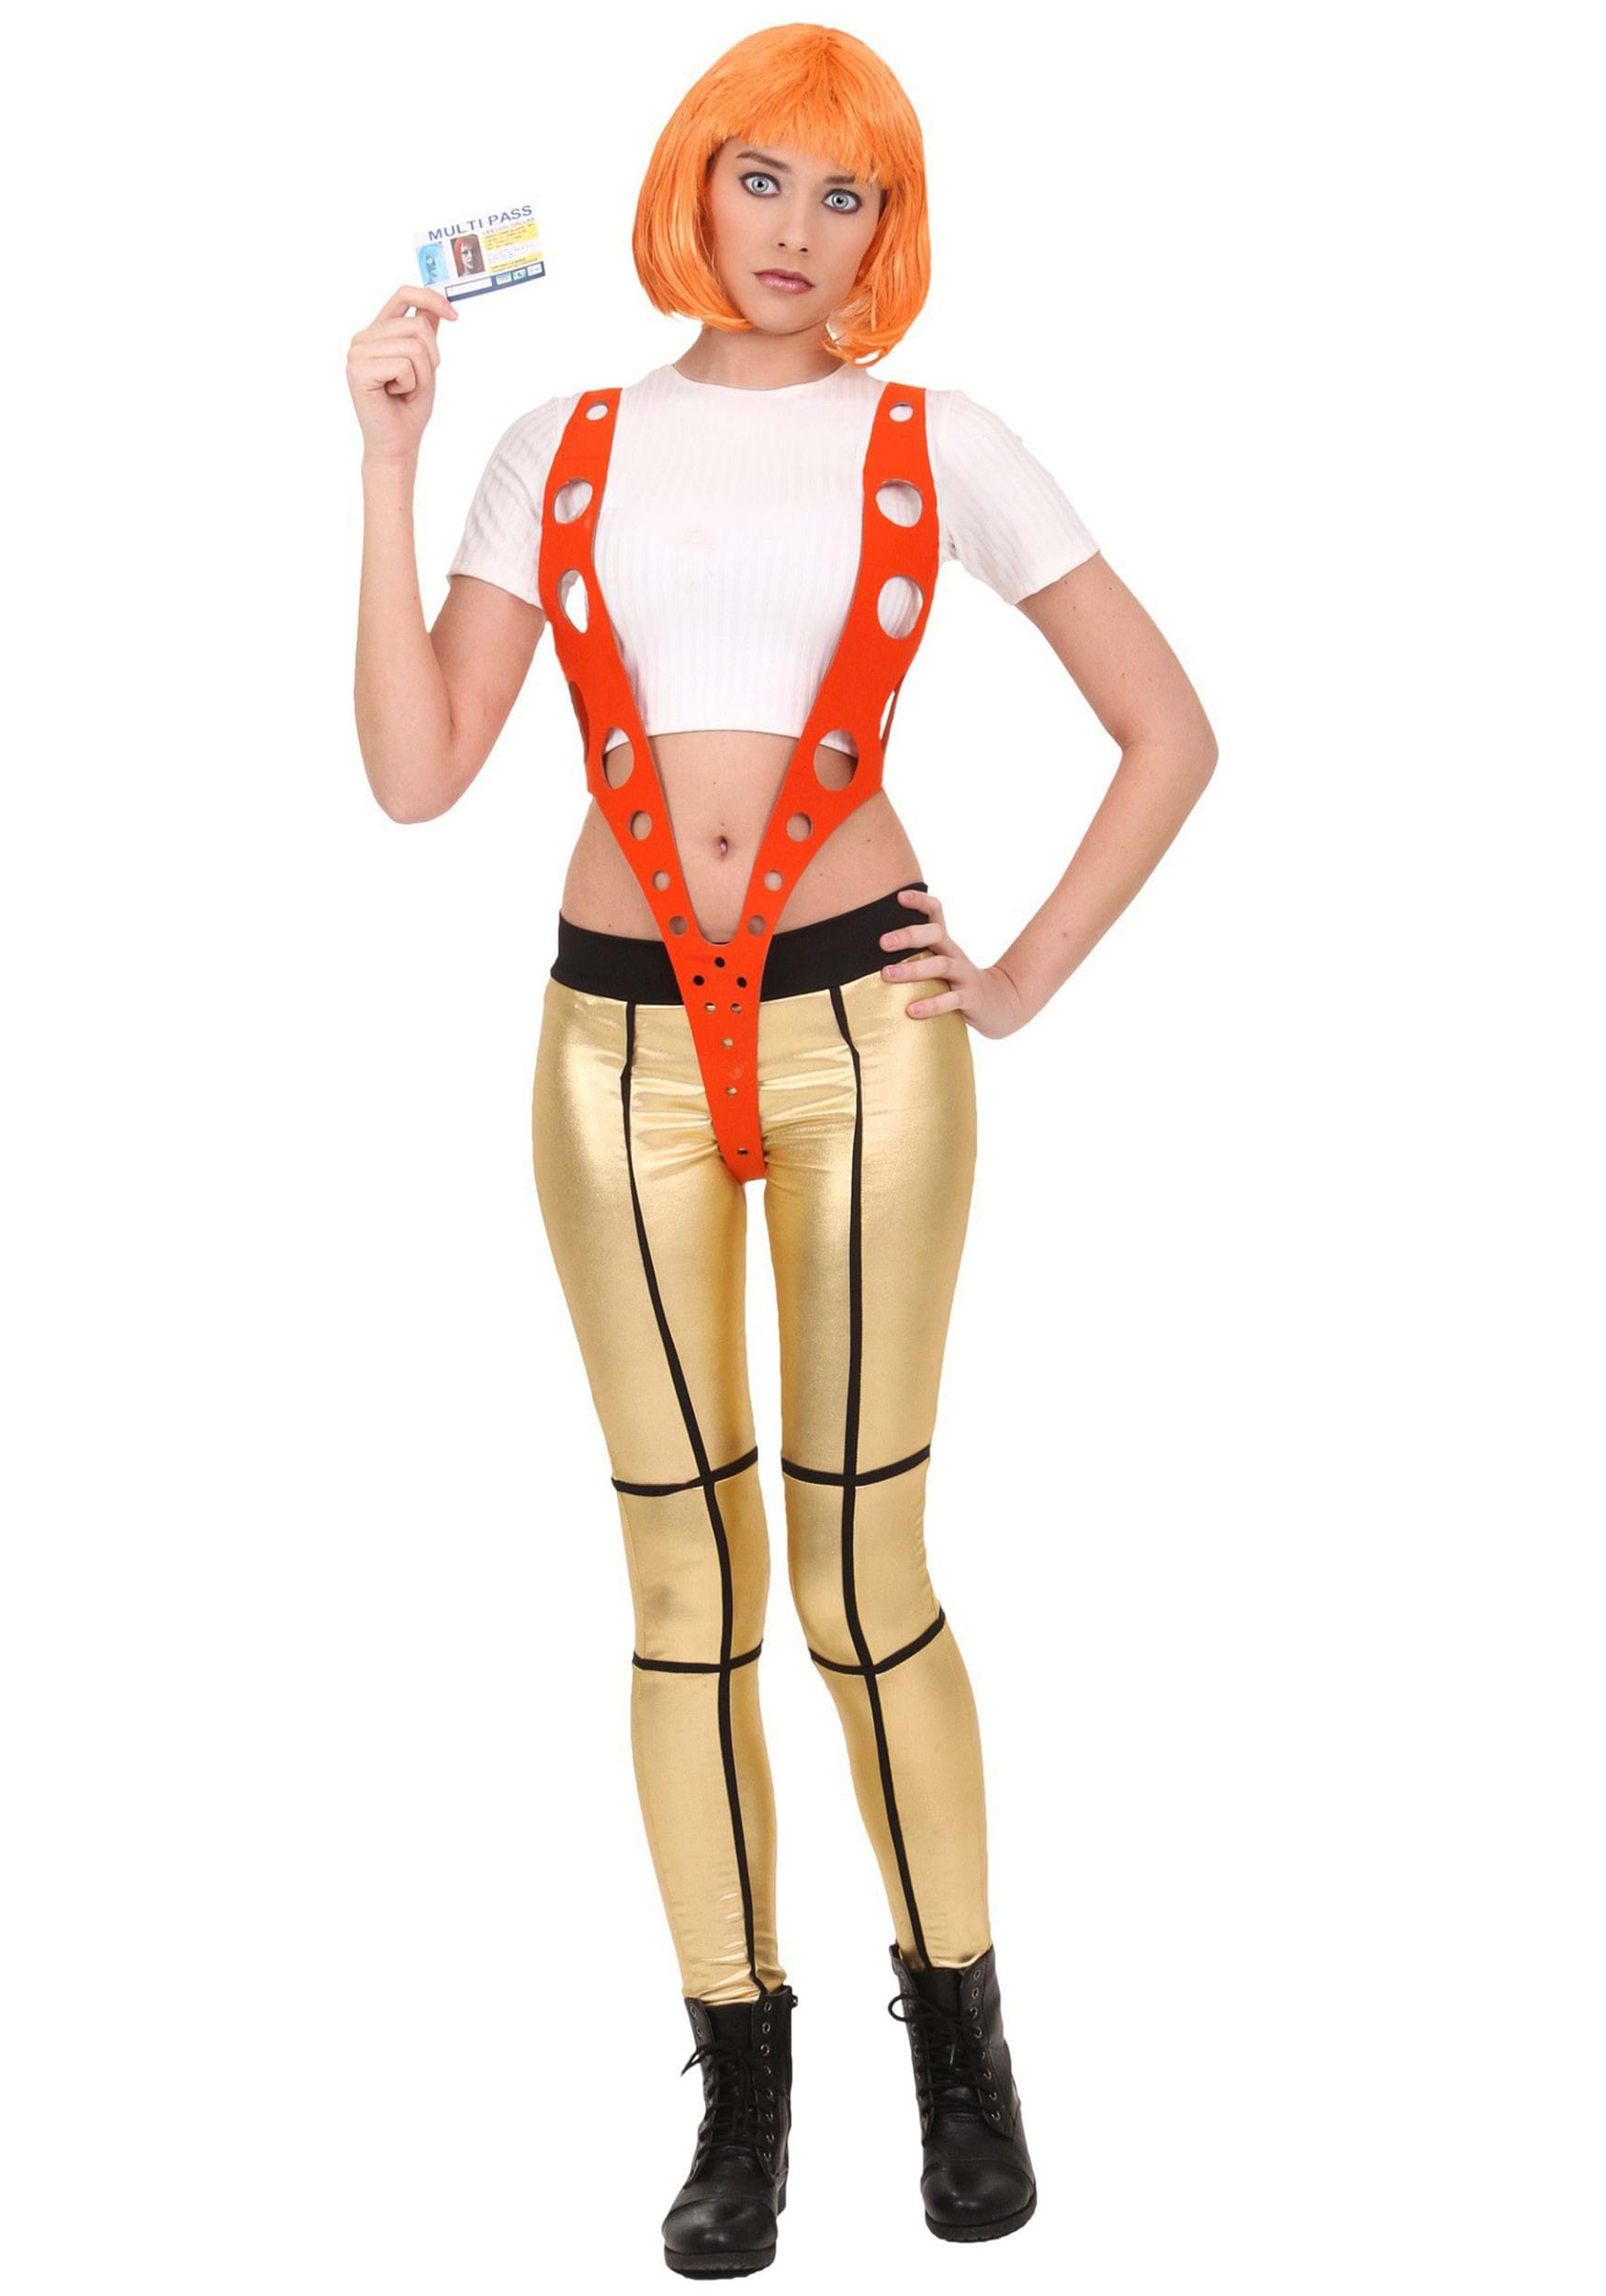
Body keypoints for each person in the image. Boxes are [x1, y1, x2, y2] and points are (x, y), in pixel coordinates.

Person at [348, 21, 1217, 2278]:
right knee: (678, 1590)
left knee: (857, 1573)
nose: (801, 231)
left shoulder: (943, 438)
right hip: (610, 1048)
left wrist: (1017, 975)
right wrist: (387, 458)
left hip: (864, 1033)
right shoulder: (551, 441)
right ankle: (740, 2087)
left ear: (885, 229)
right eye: (764, 178)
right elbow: (419, 772)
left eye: (850, 196)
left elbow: (1166, 728)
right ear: (691, 185)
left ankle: (962, 2047)